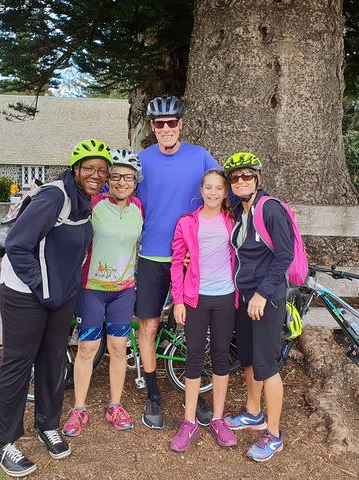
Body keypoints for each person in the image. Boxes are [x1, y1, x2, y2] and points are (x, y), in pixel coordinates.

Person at [0, 139, 111, 477]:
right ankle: (4, 443)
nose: (96, 175)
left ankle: (47, 425)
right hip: (24, 292)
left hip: (59, 296)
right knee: (18, 363)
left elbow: (73, 253)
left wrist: (65, 292)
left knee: (54, 359)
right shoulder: (54, 196)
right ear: (75, 169)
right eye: (89, 168)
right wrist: (41, 287)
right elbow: (17, 244)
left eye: (102, 171)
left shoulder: (85, 202)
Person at [135, 94, 220, 430]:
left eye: (172, 122)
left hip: (189, 258)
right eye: (160, 124)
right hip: (150, 257)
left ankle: (193, 390)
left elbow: (224, 193)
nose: (166, 128)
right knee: (150, 326)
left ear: (181, 124)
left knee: (190, 328)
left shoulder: (200, 157)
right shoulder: (141, 160)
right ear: (152, 127)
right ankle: (152, 393)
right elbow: (117, 193)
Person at [62, 149, 144, 437]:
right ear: (108, 179)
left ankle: (115, 405)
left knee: (119, 348)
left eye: (128, 177)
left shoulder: (139, 208)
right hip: (92, 289)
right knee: (86, 348)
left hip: (123, 291)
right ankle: (79, 408)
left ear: (136, 181)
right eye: (116, 176)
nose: (122, 182)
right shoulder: (94, 203)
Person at [221, 152, 293, 463]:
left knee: (267, 365)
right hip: (244, 297)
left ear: (257, 178)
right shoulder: (240, 212)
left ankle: (274, 434)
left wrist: (263, 294)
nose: (240, 181)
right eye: (234, 177)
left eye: (246, 176)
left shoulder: (270, 208)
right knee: (249, 358)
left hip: (267, 297)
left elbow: (284, 255)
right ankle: (253, 412)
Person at [168, 169, 238, 453]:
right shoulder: (187, 222)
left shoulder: (233, 220)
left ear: (225, 192)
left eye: (218, 188)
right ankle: (189, 421)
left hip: (225, 297)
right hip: (195, 298)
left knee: (221, 355)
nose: (212, 193)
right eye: (208, 188)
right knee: (194, 355)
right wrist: (179, 300)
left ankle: (219, 419)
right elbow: (175, 262)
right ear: (201, 190)